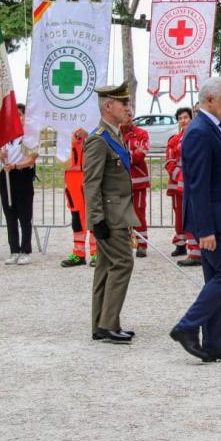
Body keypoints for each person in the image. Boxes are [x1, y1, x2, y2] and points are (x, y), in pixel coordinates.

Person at [170, 76, 221, 363]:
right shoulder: (199, 131)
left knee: (217, 278)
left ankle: (215, 340)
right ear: (209, 101)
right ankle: (187, 326)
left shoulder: (214, 127)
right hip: (212, 222)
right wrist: (205, 229)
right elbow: (198, 185)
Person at [84, 82, 140, 344]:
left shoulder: (115, 136)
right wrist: (96, 219)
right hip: (109, 215)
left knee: (106, 266)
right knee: (123, 263)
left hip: (116, 213)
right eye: (123, 103)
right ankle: (108, 324)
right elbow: (91, 183)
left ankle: (101, 323)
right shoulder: (98, 140)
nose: (127, 108)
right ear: (108, 106)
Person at [0, 104, 39, 265]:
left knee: (24, 215)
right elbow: (3, 156)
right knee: (10, 213)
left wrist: (16, 166)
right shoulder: (7, 136)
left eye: (19, 115)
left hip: (23, 176)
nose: (17, 118)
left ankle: (25, 250)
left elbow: (32, 158)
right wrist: (3, 156)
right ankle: (14, 249)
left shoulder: (29, 137)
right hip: (7, 176)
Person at [165, 108, 200, 266]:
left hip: (196, 184)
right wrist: (180, 176)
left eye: (186, 117)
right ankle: (184, 245)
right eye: (180, 118)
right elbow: (169, 162)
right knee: (181, 217)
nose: (183, 120)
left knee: (195, 216)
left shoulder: (198, 136)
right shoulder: (174, 140)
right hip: (178, 186)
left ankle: (196, 249)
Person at [60, 128, 96, 268]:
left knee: (94, 214)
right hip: (72, 178)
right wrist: (69, 139)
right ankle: (78, 253)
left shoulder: (94, 125)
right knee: (76, 217)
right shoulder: (64, 128)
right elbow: (57, 154)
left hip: (91, 176)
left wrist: (87, 136)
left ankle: (96, 252)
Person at [121, 116, 151, 257]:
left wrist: (123, 156)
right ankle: (125, 245)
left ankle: (142, 245)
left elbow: (140, 155)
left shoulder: (142, 133)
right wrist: (131, 153)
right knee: (121, 214)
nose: (126, 118)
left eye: (129, 115)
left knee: (139, 214)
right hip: (120, 181)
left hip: (138, 181)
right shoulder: (115, 133)